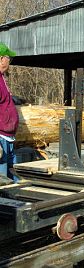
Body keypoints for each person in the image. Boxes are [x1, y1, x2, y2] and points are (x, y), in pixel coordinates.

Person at [0, 42, 19, 185]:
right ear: (1, 58)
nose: (9, 62)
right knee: (3, 184)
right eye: (8, 58)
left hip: (8, 138)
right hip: (0, 139)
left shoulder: (1, 78)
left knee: (14, 181)